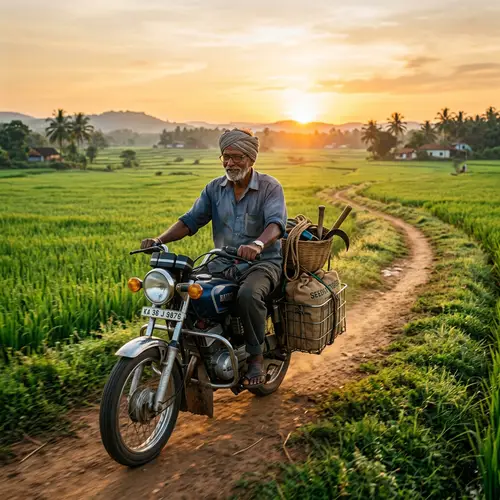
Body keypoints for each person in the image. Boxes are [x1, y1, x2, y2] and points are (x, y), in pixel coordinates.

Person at [141, 129, 287, 387]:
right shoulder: (214, 189)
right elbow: (189, 222)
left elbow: (276, 224)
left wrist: (257, 243)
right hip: (222, 261)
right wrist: (159, 240)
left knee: (248, 295)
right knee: (182, 289)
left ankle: (255, 356)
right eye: (225, 157)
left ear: (251, 159)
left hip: (262, 264)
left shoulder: (269, 187)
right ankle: (195, 346)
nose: (230, 163)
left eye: (237, 157)